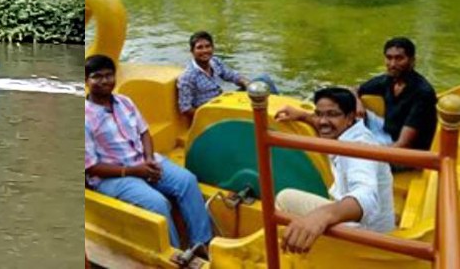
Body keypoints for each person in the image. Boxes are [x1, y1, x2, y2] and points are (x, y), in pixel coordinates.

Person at [85, 54, 213, 256]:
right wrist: (134, 171)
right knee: (157, 203)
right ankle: (175, 255)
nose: (104, 81)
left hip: (142, 161)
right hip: (113, 176)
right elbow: (90, 166)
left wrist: (149, 159)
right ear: (86, 81)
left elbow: (144, 132)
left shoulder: (124, 102)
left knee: (187, 181)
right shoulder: (84, 117)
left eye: (109, 75)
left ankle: (202, 243)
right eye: (97, 76)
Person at [274, 87, 395, 254]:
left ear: (350, 117)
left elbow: (366, 196)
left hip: (366, 234)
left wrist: (321, 216)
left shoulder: (359, 147)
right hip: (374, 224)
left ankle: (290, 255)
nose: (323, 121)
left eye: (332, 114)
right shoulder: (346, 132)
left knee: (284, 199)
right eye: (319, 114)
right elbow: (324, 122)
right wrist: (303, 116)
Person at [353, 37, 437, 151]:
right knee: (340, 104)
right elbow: (354, 89)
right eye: (389, 58)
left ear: (412, 61)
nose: (392, 64)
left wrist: (365, 152)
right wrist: (357, 103)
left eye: (399, 58)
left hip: (409, 153)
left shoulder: (422, 93)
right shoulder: (388, 80)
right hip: (386, 133)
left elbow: (403, 144)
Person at [177, 31, 278, 118]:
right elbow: (185, 109)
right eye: (200, 48)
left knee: (263, 80)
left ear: (213, 48)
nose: (205, 51)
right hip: (211, 113)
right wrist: (207, 117)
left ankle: (277, 113)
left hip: (224, 102)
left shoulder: (215, 62)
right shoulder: (188, 76)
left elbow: (233, 76)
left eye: (208, 46)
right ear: (192, 51)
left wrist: (247, 84)